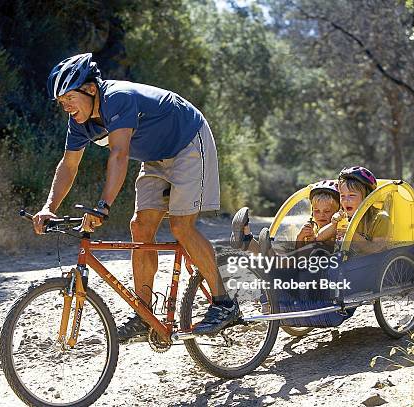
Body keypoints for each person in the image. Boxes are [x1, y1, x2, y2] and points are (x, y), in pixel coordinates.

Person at [33, 53, 238, 342]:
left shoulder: (117, 98)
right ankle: (145, 314)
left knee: (181, 227)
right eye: (60, 101)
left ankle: (224, 303)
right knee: (140, 228)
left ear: (90, 89)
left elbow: (119, 154)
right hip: (155, 157)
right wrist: (48, 208)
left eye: (69, 97)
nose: (65, 105)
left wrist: (104, 205)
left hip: (188, 141)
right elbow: (68, 165)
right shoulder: (78, 121)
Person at [229, 180, 341, 254]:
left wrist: (313, 240)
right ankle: (247, 240)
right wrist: (300, 237)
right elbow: (300, 251)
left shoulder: (337, 227)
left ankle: (249, 242)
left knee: (278, 259)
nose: (321, 214)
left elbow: (318, 242)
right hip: (305, 266)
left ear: (337, 212)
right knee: (280, 254)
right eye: (317, 211)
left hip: (323, 271)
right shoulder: (313, 228)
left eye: (327, 211)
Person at [316, 166, 389, 255]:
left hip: (368, 265)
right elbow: (319, 237)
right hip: (343, 262)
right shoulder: (343, 217)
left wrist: (351, 234)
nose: (346, 200)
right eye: (342, 196)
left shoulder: (380, 218)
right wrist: (334, 225)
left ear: (367, 197)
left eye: (352, 195)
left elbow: (377, 249)